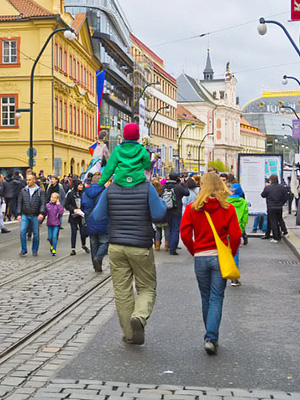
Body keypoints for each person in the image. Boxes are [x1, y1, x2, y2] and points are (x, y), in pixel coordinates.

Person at [92, 179, 166, 345]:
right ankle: (139, 316)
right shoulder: (147, 188)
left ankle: (130, 334)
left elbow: (97, 215)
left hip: (116, 246)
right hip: (140, 246)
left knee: (122, 291)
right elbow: (159, 214)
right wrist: (159, 201)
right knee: (147, 287)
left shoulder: (111, 189)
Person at [180, 173, 241, 355]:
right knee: (217, 297)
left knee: (205, 297)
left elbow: (184, 234)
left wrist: (194, 250)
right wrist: (231, 252)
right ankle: (211, 337)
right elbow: (236, 235)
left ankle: (209, 335)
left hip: (201, 257)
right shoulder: (228, 208)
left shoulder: (192, 208)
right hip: (219, 257)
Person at [98, 123, 152, 187]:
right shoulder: (142, 150)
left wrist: (100, 183)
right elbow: (147, 165)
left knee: (103, 196)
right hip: (138, 181)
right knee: (154, 195)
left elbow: (109, 168)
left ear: (124, 135)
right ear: (138, 136)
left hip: (120, 182)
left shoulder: (117, 149)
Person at [81, 172, 108, 272]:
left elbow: (83, 207)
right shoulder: (105, 192)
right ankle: (99, 258)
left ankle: (95, 264)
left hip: (90, 221)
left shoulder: (85, 193)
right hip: (103, 220)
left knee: (93, 243)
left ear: (91, 182)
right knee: (105, 241)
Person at [17, 173, 45, 256]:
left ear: (34, 180)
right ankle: (24, 249)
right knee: (22, 231)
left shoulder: (40, 191)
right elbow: (19, 202)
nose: (27, 181)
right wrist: (18, 214)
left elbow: (43, 203)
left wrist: (41, 213)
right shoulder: (23, 190)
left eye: (29, 180)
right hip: (25, 214)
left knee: (36, 234)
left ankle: (34, 250)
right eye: (27, 180)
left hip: (35, 215)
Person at [226, 183, 248, 287]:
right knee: (235, 254)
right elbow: (244, 218)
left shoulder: (225, 201)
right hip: (236, 230)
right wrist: (241, 230)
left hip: (225, 231)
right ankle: (234, 278)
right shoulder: (243, 202)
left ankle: (221, 275)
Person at [163, 171, 189, 255]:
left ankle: (170, 244)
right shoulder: (178, 187)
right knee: (175, 229)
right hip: (176, 209)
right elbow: (187, 193)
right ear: (177, 178)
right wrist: (183, 183)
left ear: (169, 178)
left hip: (167, 209)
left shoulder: (164, 186)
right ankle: (173, 249)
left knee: (170, 228)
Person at [65, 179, 90, 256]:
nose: (81, 186)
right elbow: (66, 205)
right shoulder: (71, 194)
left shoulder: (84, 193)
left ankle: (83, 244)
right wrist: (73, 209)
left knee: (83, 232)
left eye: (82, 185)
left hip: (82, 216)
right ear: (76, 186)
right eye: (80, 185)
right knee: (73, 232)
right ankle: (73, 248)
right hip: (74, 216)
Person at [261, 174, 288, 243]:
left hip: (271, 206)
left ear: (271, 180)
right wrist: (281, 203)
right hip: (279, 206)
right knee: (280, 219)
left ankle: (276, 237)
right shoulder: (282, 187)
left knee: (273, 221)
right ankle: (284, 231)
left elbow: (263, 195)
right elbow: (285, 197)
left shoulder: (268, 188)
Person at [151, 178, 169, 251]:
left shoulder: (152, 193)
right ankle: (166, 245)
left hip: (156, 215)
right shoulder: (162, 190)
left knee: (158, 230)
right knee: (167, 230)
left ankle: (157, 245)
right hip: (164, 214)